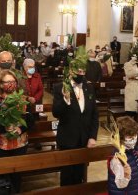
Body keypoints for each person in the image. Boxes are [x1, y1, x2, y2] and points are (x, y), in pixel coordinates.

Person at [52, 56, 99, 186]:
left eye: (83, 72)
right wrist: (65, 100)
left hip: (84, 139)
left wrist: (92, 137)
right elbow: (56, 112)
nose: (81, 74)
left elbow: (94, 115)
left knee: (79, 175)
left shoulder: (89, 88)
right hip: (67, 138)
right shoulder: (60, 87)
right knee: (67, 176)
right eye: (79, 71)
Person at [0, 70, 34, 193]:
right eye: (7, 82)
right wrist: (4, 128)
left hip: (19, 145)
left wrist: (20, 128)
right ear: (1, 84)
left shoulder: (23, 99)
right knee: (1, 176)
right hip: (0, 147)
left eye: (13, 81)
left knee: (16, 176)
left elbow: (31, 121)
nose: (11, 84)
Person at [108, 116, 138, 194]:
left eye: (135, 135)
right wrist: (126, 175)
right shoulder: (117, 159)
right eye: (130, 137)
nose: (134, 139)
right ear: (120, 137)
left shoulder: (134, 151)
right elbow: (120, 184)